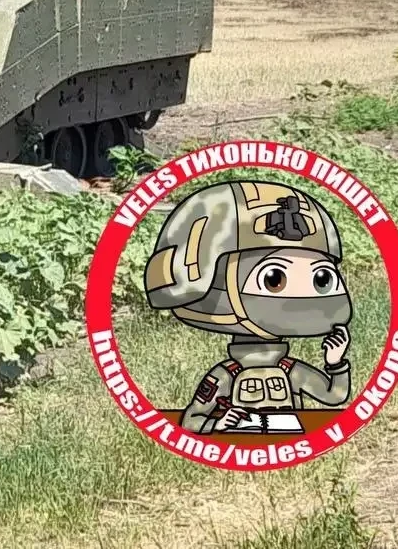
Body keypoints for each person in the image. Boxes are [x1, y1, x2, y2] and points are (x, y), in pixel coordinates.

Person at [142, 180, 354, 433]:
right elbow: (191, 421)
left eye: (322, 279)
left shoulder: (289, 371)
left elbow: (334, 396)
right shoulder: (227, 375)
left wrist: (335, 361)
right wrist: (218, 424)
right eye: (274, 279)